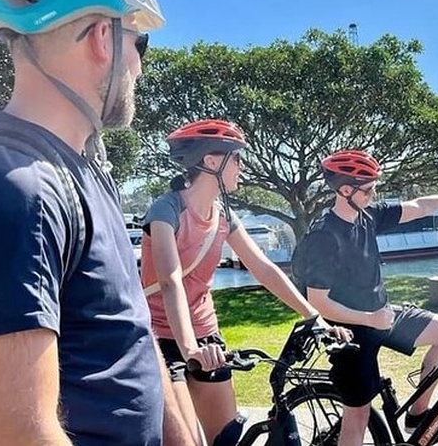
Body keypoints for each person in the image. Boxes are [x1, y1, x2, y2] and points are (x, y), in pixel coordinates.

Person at [0, 0, 195, 445]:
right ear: (101, 37)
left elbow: (128, 327)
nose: (138, 64)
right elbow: (19, 433)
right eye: (140, 42)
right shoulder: (5, 188)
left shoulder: (86, 171)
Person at [140, 119, 351, 446]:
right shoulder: (166, 209)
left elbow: (263, 269)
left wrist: (314, 316)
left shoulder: (223, 214)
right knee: (182, 441)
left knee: (227, 437)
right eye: (236, 158)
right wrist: (190, 350)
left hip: (206, 333)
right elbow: (170, 282)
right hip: (162, 340)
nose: (242, 166)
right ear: (211, 161)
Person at [295, 150, 438, 446]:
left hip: (382, 315)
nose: (374, 193)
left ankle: (418, 416)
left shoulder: (368, 216)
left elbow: (418, 206)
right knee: (357, 420)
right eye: (368, 189)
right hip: (351, 332)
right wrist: (368, 319)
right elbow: (317, 300)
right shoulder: (324, 236)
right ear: (345, 190)